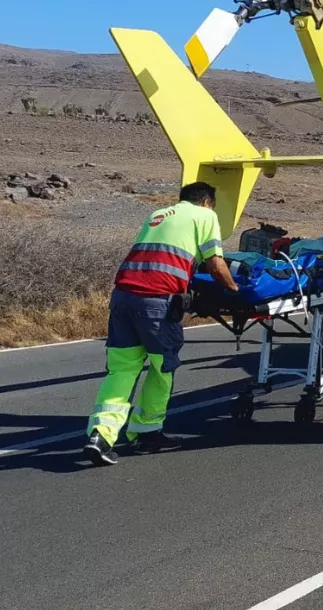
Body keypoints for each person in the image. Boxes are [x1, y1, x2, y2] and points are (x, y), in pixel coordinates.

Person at [84, 181, 239, 466]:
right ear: (207, 202)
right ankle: (148, 431)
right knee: (161, 367)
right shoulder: (205, 216)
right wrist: (235, 291)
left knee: (121, 370)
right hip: (156, 303)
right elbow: (215, 264)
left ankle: (100, 434)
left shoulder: (158, 214)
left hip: (123, 298)